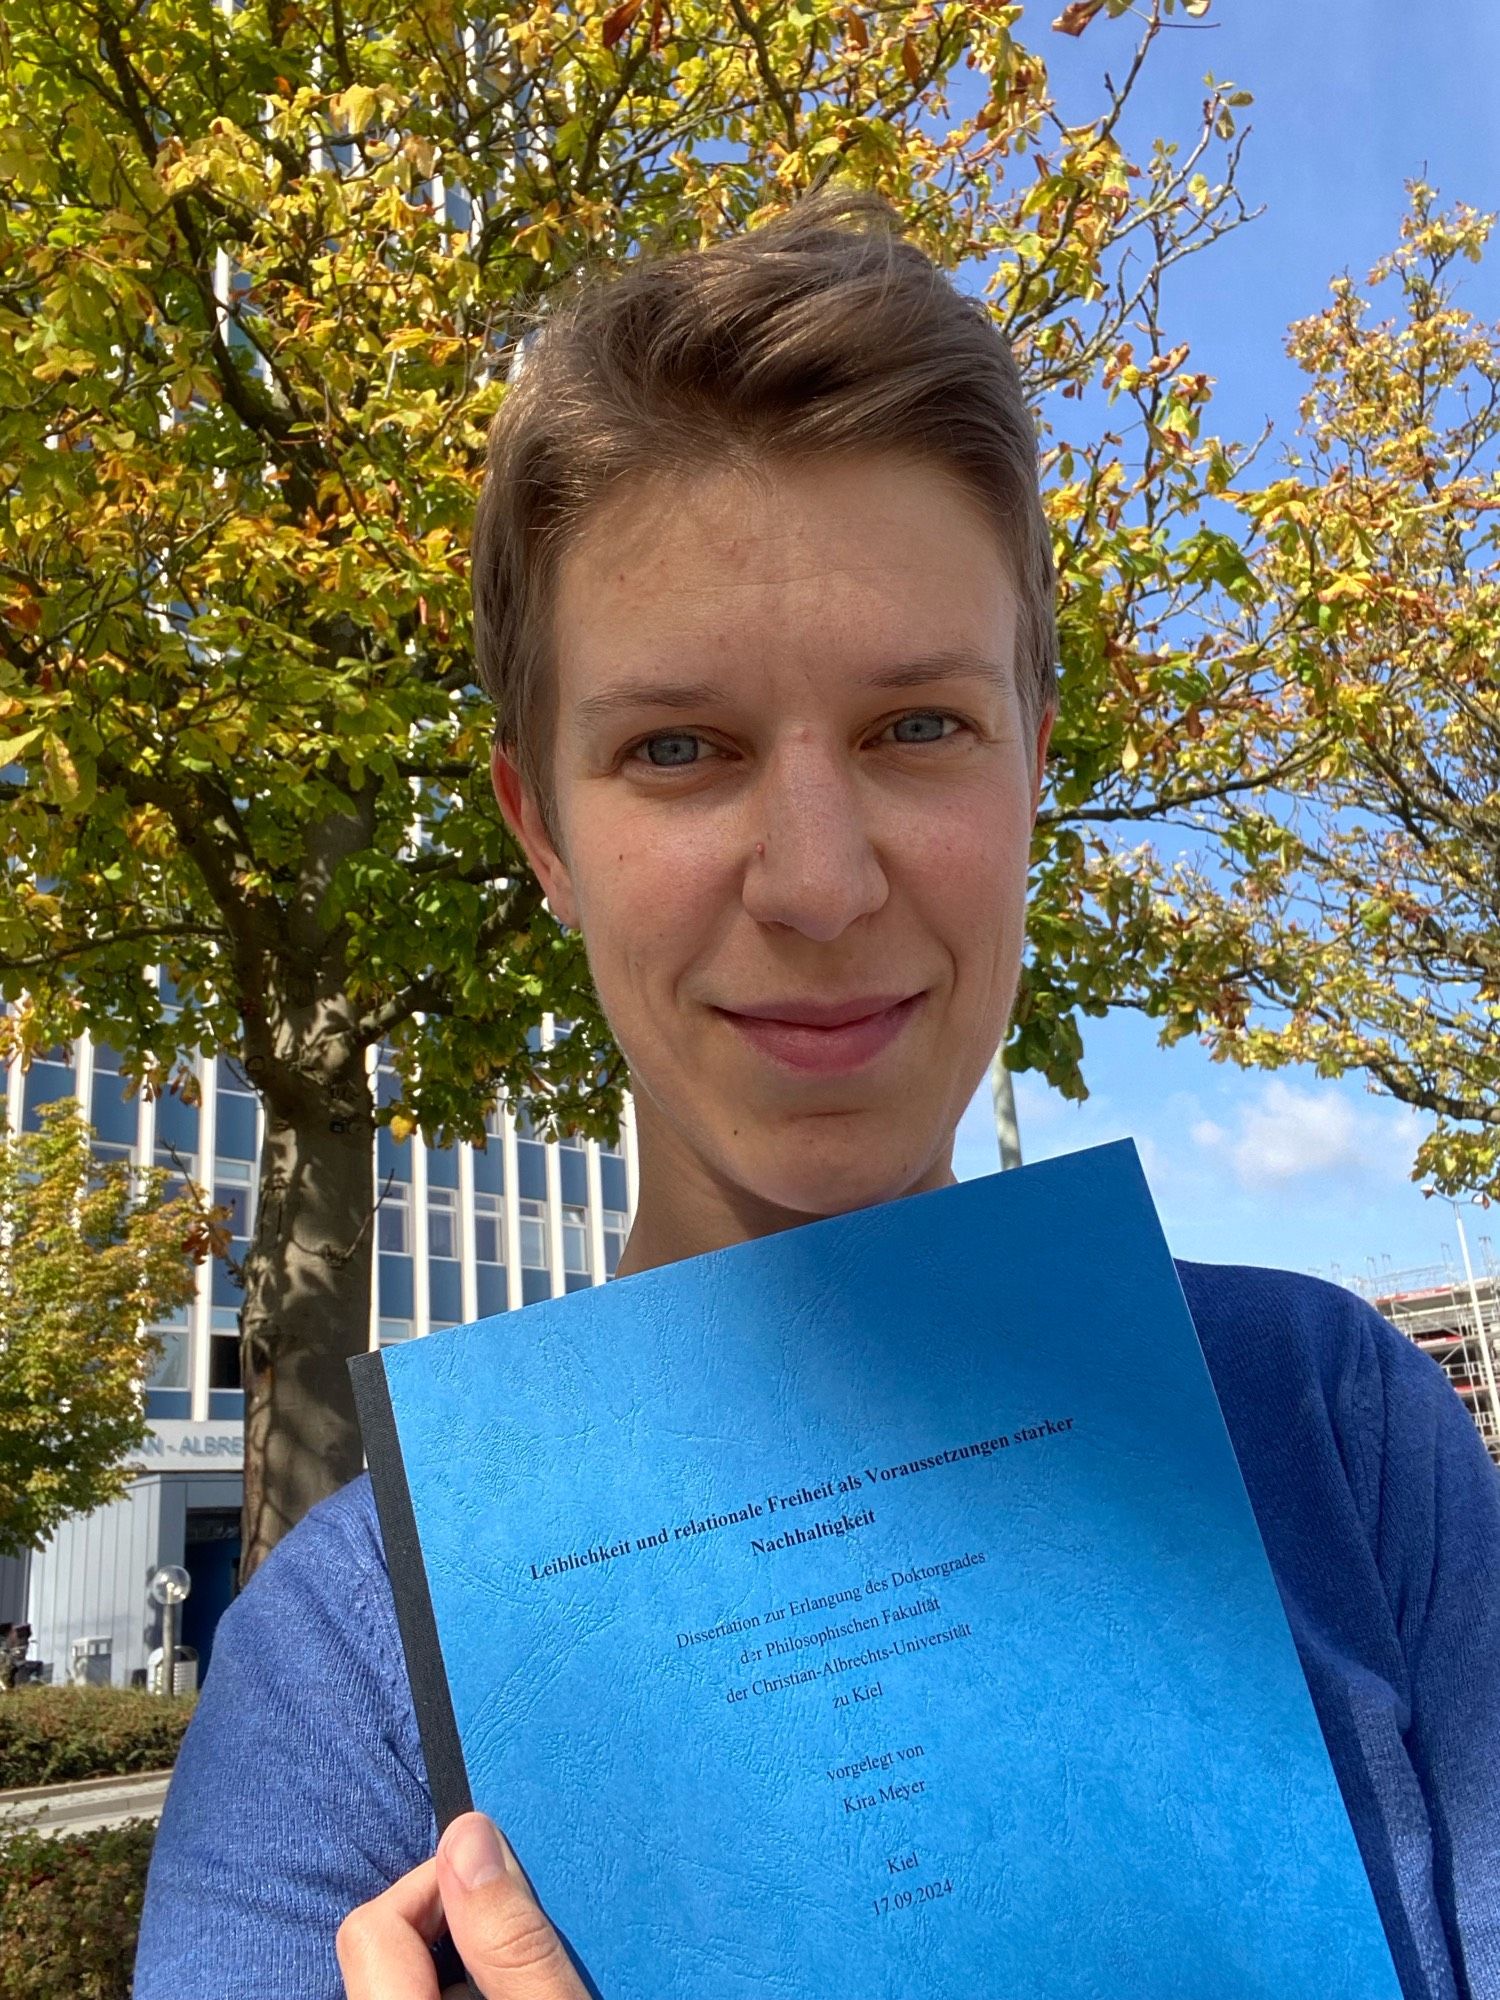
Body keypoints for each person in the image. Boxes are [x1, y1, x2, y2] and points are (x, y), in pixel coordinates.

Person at [133, 193, 1500, 2000]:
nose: (818, 881)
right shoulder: (345, 1662)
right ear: (542, 831)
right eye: (677, 750)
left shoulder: (1340, 1431)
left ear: (1032, 767)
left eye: (916, 726)